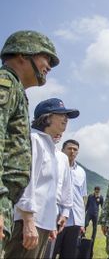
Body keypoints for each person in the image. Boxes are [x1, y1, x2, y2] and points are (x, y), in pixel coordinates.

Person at [0, 30, 59, 251]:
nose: (49, 66)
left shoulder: (15, 89)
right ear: (23, 55)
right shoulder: (5, 83)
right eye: (46, 57)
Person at [4, 98, 79, 259]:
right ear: (46, 117)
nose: (66, 118)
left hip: (42, 223)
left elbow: (52, 191)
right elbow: (27, 183)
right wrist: (29, 221)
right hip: (27, 222)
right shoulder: (34, 140)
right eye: (61, 114)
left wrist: (51, 222)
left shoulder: (52, 149)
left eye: (67, 115)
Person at [52, 139, 87, 259]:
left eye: (75, 149)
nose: (72, 151)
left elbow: (82, 197)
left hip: (75, 221)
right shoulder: (55, 166)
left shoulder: (81, 172)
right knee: (50, 252)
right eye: (69, 148)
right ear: (62, 150)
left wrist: (82, 222)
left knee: (69, 255)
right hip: (57, 219)